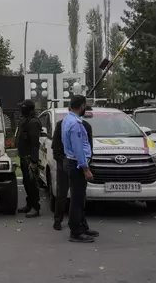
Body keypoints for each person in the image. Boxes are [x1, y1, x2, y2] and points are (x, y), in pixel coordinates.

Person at [62, 95, 97, 243]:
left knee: (80, 197)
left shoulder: (67, 119)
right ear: (82, 106)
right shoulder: (75, 124)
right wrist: (86, 169)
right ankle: (75, 232)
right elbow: (78, 149)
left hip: (72, 161)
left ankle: (82, 226)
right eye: (85, 106)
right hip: (77, 163)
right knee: (77, 199)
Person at [53, 109, 93, 231]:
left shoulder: (85, 126)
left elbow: (89, 146)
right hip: (67, 162)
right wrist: (63, 160)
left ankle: (82, 223)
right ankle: (58, 219)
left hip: (79, 164)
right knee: (62, 193)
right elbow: (56, 145)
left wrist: (87, 163)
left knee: (79, 197)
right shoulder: (62, 124)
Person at [16, 99, 41, 218]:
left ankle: (35, 207)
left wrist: (34, 161)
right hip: (24, 156)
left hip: (30, 158)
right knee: (26, 182)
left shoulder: (33, 122)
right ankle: (29, 204)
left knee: (32, 183)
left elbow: (35, 144)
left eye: (23, 107)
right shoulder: (25, 121)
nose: (21, 109)